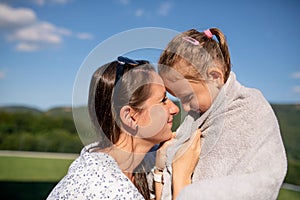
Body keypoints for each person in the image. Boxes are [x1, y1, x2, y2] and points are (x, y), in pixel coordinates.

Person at [157, 28, 287, 199]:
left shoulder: (251, 111)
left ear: (215, 77)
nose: (185, 108)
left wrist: (189, 191)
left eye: (188, 97)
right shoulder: (195, 119)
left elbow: (265, 180)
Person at [47, 56, 201, 200]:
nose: (175, 109)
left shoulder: (107, 163)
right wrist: (181, 177)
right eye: (163, 100)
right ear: (130, 117)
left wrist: (159, 166)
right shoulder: (107, 188)